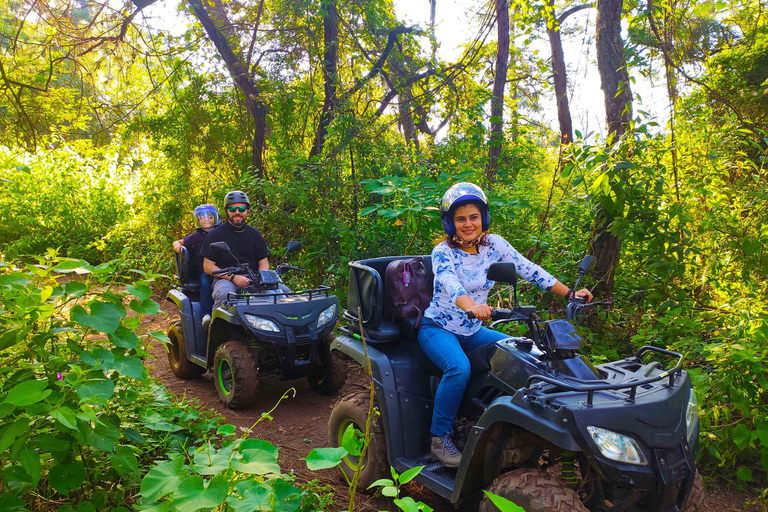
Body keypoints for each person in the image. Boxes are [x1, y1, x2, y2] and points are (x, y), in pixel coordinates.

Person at [419, 182, 593, 468]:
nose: (468, 224)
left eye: (473, 217)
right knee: (458, 368)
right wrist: (471, 306)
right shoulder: (442, 252)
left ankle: (516, 427)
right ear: (451, 222)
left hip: (473, 330)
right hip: (438, 328)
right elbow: (449, 282)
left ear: (483, 218)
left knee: (523, 354)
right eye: (460, 218)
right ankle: (440, 438)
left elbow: (530, 270)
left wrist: (570, 295)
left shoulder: (493, 245)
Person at [201, 190, 270, 312]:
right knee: (225, 295)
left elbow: (263, 262)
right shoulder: (215, 235)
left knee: (283, 293)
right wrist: (233, 277)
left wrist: (262, 278)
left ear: (247, 211)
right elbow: (208, 266)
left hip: (254, 278)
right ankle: (218, 330)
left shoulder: (255, 235)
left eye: (241, 209)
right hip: (225, 279)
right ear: (227, 211)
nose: (237, 212)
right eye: (233, 209)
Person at [173, 204, 221, 329]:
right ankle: (206, 315)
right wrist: (177, 246)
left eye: (210, 217)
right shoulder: (196, 236)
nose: (207, 220)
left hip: (223, 268)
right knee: (205, 283)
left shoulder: (221, 233)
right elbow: (179, 242)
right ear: (198, 220)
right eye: (203, 218)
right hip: (205, 270)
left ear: (216, 218)